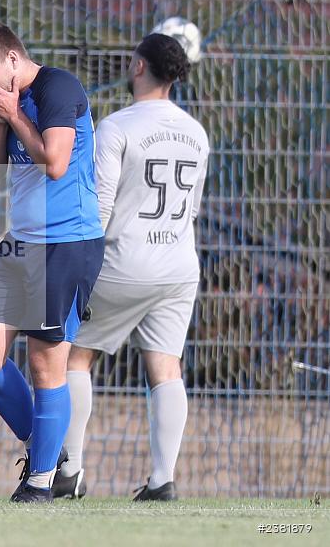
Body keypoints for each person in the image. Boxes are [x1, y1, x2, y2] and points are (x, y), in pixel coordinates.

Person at [55, 33, 209, 501]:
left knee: (75, 355)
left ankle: (71, 472)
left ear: (139, 66)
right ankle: (163, 480)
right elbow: (194, 210)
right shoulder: (197, 132)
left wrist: (77, 263)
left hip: (124, 264)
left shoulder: (117, 126)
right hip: (179, 268)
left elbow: (99, 207)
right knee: (165, 366)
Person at [0, 21, 104, 503]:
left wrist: (15, 115)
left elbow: (55, 161)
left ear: (12, 60)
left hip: (65, 245)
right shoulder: (4, 105)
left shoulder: (58, 87)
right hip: (20, 242)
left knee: (46, 365)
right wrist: (1, 120)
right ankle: (51, 452)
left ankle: (41, 481)